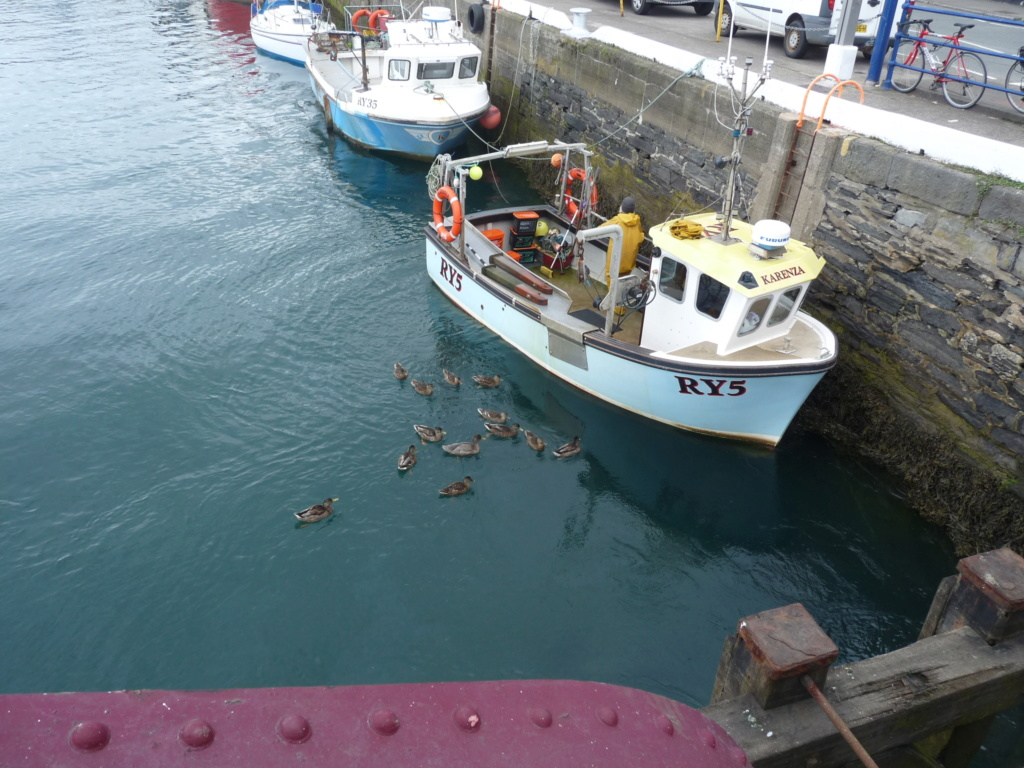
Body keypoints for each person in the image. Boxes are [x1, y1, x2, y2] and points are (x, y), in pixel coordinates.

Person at [604, 197, 644, 287]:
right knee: (623, 284)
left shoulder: (617, 220)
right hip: (629, 264)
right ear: (633, 210)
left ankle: (612, 299)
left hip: (615, 263)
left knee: (611, 283)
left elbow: (600, 231)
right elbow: (641, 237)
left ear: (621, 208)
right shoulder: (637, 222)